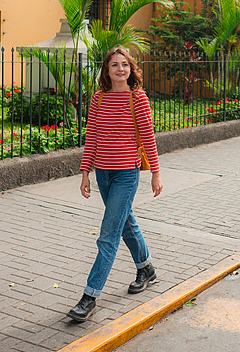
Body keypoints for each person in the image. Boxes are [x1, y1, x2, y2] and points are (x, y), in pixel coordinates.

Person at [67, 46, 162, 323]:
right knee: (125, 221)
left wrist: (156, 173)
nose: (120, 69)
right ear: (107, 71)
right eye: (114, 65)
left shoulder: (137, 98)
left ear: (131, 69)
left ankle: (89, 297)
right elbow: (92, 136)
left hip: (126, 175)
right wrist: (85, 172)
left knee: (108, 235)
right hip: (103, 173)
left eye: (125, 64)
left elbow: (148, 137)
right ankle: (146, 268)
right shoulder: (99, 98)